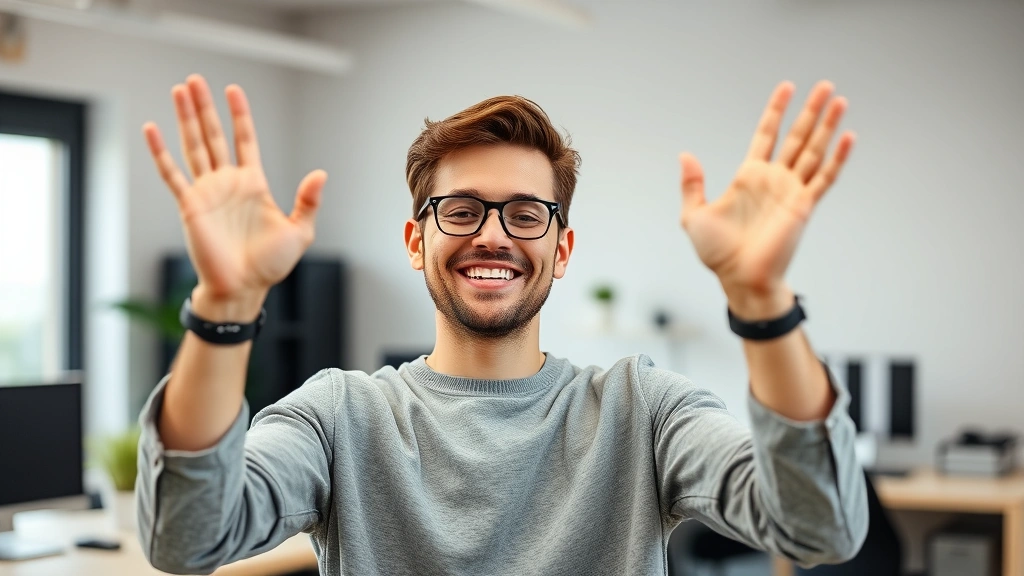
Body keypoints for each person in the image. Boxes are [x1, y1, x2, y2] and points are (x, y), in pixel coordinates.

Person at [136, 73, 867, 576]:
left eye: (525, 214)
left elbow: (820, 528)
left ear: (562, 249)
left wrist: (761, 300)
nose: (492, 236)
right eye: (461, 210)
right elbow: (187, 539)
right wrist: (225, 305)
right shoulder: (340, 417)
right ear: (416, 241)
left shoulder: (642, 410)